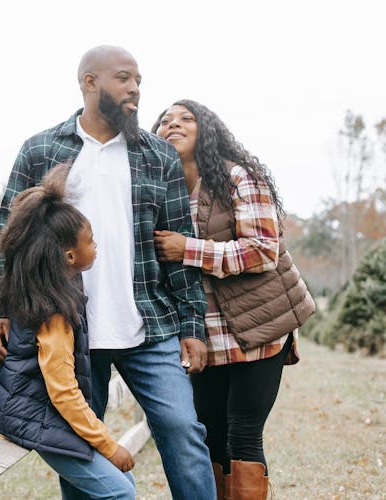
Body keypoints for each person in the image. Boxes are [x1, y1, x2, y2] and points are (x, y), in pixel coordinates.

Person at [0, 45, 216, 499]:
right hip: (68, 331)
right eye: (124, 78)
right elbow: (7, 243)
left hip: (148, 326)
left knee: (183, 431)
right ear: (90, 82)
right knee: (79, 450)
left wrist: (193, 325)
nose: (135, 90)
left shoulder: (158, 156)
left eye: (138, 82)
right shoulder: (40, 150)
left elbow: (178, 246)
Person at [152, 99, 315, 499]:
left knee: (243, 434)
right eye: (165, 121)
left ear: (206, 129)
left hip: (259, 329)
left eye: (186, 118)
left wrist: (188, 248)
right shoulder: (158, 192)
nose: (173, 124)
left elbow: (262, 251)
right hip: (204, 338)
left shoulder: (238, 177)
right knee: (209, 434)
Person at [0, 163, 136, 499]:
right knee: (120, 493)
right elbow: (63, 391)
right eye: (90, 240)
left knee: (124, 486)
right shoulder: (54, 313)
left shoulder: (51, 287)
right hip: (32, 414)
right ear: (70, 255)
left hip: (37, 409)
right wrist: (109, 445)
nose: (95, 246)